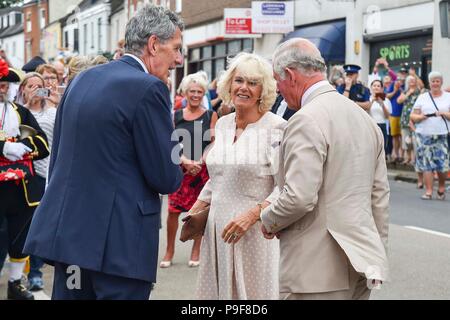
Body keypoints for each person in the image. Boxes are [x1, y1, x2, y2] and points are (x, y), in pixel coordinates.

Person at [23, 4, 184, 300]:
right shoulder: (149, 88)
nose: (178, 59)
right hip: (120, 248)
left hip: (70, 241)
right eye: (176, 48)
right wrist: (177, 153)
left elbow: (61, 154)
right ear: (152, 45)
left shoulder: (83, 79)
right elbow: (165, 176)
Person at [261, 38, 389, 300]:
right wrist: (377, 255)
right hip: (361, 262)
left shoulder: (306, 119)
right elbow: (379, 198)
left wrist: (269, 219)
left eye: (277, 80)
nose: (277, 89)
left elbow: (299, 197)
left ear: (291, 75)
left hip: (315, 269)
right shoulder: (365, 120)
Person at [187, 52, 285, 299]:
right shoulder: (223, 123)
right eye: (239, 80)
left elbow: (284, 186)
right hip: (217, 231)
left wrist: (252, 216)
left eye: (253, 83)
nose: (244, 88)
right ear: (229, 84)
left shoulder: (276, 128)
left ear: (264, 90)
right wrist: (197, 208)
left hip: (253, 233)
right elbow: (218, 175)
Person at [0, 67, 50, 300]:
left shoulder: (19, 112)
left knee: (20, 237)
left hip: (21, 189)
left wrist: (23, 149)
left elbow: (43, 144)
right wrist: (3, 147)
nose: (2, 87)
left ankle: (15, 284)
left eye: (5, 84)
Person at [160, 72, 218, 269]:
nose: (195, 94)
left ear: (204, 94)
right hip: (180, 170)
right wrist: (185, 161)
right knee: (173, 211)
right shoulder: (175, 115)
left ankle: (196, 250)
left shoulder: (211, 115)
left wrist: (201, 161)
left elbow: (213, 143)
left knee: (199, 212)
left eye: (199, 91)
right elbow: (171, 142)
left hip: (202, 172)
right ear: (184, 92)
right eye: (192, 91)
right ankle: (169, 251)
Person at [15, 72, 57, 292]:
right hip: (26, 175)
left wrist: (57, 102)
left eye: (39, 85)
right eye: (30, 85)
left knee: (41, 226)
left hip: (50, 173)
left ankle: (36, 273)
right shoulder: (16, 113)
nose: (35, 89)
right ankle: (18, 272)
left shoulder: (53, 112)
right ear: (22, 89)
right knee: (23, 227)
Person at [410, 71, 450, 200]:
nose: (435, 83)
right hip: (424, 135)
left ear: (441, 82)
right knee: (426, 164)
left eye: (437, 81)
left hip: (442, 135)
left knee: (442, 165)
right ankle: (428, 191)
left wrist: (444, 113)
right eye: (433, 81)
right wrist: (420, 117)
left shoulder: (448, 97)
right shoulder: (423, 97)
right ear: (430, 83)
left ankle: (441, 188)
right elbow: (413, 116)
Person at [398, 75, 422, 166]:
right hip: (405, 119)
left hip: (415, 119)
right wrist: (409, 93)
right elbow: (399, 101)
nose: (412, 81)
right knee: (406, 140)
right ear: (407, 82)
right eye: (410, 80)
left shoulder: (419, 92)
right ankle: (407, 158)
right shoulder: (405, 91)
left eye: (413, 80)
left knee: (414, 140)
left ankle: (414, 159)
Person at [369, 80, 392, 154]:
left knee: (382, 149)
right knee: (371, 148)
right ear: (371, 87)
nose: (376, 87)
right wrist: (372, 101)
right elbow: (365, 111)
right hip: (370, 125)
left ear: (382, 88)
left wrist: (382, 104)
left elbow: (387, 116)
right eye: (374, 85)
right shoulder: (367, 99)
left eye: (378, 86)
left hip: (382, 125)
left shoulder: (386, 100)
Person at [387, 74, 405, 163]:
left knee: (402, 136)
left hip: (403, 115)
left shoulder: (406, 86)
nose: (400, 80)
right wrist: (395, 90)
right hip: (393, 113)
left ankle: (402, 155)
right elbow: (387, 96)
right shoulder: (392, 85)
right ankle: (396, 154)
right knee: (395, 136)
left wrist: (401, 89)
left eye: (401, 78)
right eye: (398, 79)